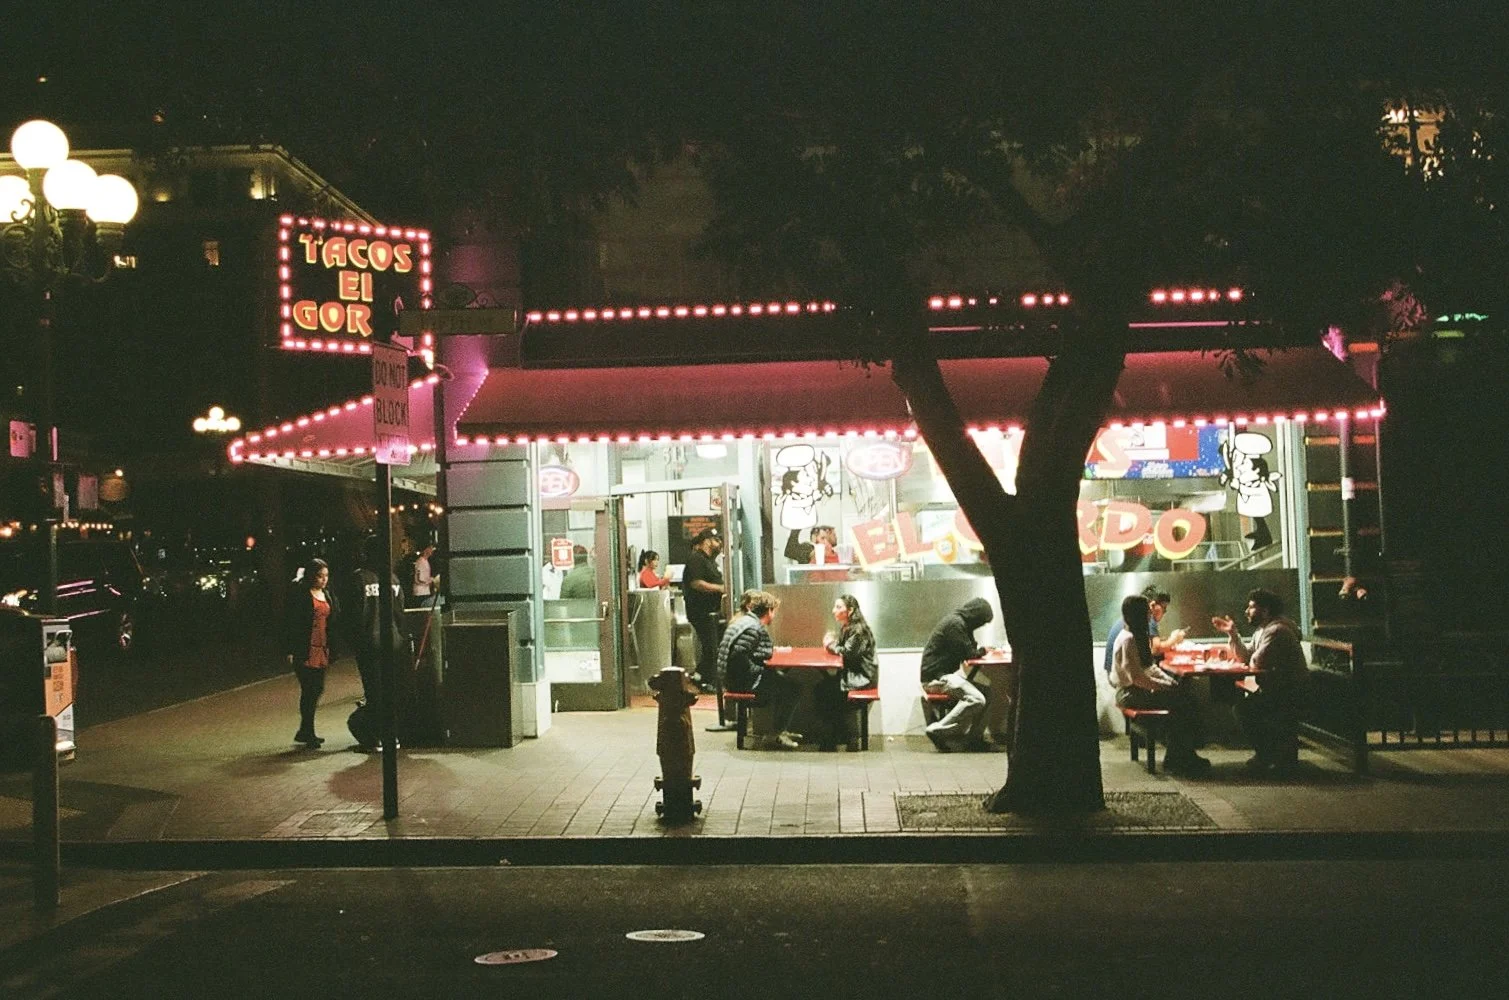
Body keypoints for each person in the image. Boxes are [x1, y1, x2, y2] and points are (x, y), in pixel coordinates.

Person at [1213, 588, 1311, 773]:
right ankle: (1269, 755)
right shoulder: (1263, 630)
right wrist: (1232, 633)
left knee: (1244, 709)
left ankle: (1269, 756)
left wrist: (1249, 657)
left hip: (1292, 691)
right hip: (1278, 689)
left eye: (1251, 607)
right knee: (1245, 705)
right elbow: (1245, 657)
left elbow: (1256, 661)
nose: (1246, 611)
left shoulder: (1277, 631)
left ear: (1265, 611)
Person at [1112, 594, 1210, 775]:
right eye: (1146, 613)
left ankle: (1180, 755)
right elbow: (1137, 678)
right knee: (1184, 704)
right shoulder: (1128, 639)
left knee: (1183, 700)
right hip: (1130, 694)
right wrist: (1168, 687)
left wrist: (1170, 682)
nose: (1150, 616)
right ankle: (1182, 757)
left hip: (1136, 690)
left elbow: (1149, 668)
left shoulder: (1135, 636)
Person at [345, 535, 405, 751]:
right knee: (391, 689)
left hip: (369, 642)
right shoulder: (393, 579)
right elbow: (399, 613)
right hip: (393, 641)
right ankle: (394, 735)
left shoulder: (359, 579)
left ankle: (377, 737)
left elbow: (354, 614)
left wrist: (355, 640)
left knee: (373, 690)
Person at [718, 590, 799, 749]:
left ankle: (779, 731)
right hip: (740, 682)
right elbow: (738, 657)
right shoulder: (753, 627)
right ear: (768, 611)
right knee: (792, 688)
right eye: (774, 611)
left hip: (731, 679)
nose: (774, 616)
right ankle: (775, 735)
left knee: (781, 680)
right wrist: (757, 672)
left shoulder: (742, 622)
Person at [919, 598, 995, 752]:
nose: (981, 625)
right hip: (936, 679)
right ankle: (938, 730)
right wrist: (984, 650)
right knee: (977, 699)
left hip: (943, 676)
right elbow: (969, 654)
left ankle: (973, 739)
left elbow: (968, 649)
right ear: (976, 616)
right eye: (982, 621)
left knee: (988, 693)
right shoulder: (955, 625)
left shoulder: (960, 623)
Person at [283, 558, 340, 748]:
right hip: (306, 648)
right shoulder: (301, 595)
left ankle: (305, 730)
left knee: (316, 689)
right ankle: (307, 731)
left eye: (326, 576)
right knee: (310, 689)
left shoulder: (327, 594)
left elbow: (335, 617)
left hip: (322, 647)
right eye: (319, 576)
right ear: (311, 576)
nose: (323, 580)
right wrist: (290, 648)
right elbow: (291, 622)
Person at [816, 593, 878, 751]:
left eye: (838, 607)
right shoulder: (849, 627)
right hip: (854, 673)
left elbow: (846, 653)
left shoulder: (858, 630)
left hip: (861, 677)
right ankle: (834, 737)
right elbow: (847, 649)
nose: (833, 610)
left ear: (850, 610)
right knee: (824, 688)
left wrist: (829, 644)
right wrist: (833, 642)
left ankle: (836, 740)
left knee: (824, 690)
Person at [1103, 586, 1187, 678]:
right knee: (1175, 678)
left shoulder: (1133, 616)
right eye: (1164, 608)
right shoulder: (1146, 618)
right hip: (1123, 676)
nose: (1164, 613)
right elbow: (1155, 649)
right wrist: (1174, 639)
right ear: (1153, 605)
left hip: (1114, 672)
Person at [680, 528, 727, 692]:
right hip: (701, 612)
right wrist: (720, 588)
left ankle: (700, 677)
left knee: (715, 646)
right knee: (711, 647)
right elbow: (696, 583)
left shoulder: (709, 561)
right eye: (716, 540)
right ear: (706, 541)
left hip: (712, 612)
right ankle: (706, 680)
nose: (719, 543)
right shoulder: (696, 559)